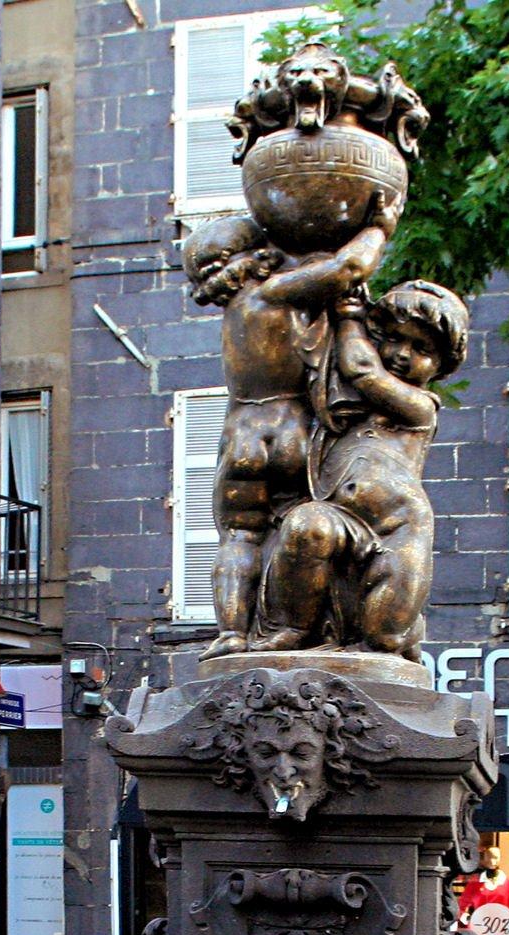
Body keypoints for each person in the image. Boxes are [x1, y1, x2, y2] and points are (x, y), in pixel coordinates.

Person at [180, 207, 396, 658]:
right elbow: (349, 268)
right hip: (291, 431)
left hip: (241, 432)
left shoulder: (236, 313)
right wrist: (379, 227)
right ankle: (303, 625)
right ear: (254, 256)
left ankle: (232, 634)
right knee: (302, 537)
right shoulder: (275, 293)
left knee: (239, 537)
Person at [254, 280, 467, 658]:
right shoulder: (348, 407)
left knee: (383, 640)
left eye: (421, 349)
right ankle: (292, 627)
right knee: (306, 526)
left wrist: (349, 316)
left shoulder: (420, 407)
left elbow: (362, 369)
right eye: (396, 339)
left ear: (441, 365)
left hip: (397, 530)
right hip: (339, 516)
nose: (402, 354)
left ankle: (406, 631)